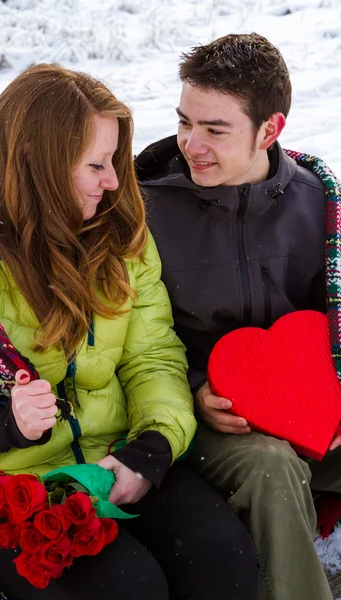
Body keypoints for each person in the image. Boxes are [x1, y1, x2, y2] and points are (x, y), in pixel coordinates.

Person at [0, 64, 258, 600]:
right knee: (127, 588)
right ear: (40, 167)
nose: (114, 180)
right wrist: (5, 429)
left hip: (114, 454)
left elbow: (152, 357)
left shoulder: (118, 239)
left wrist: (151, 447)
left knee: (222, 561)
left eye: (113, 161)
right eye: (96, 164)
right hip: (2, 483)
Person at [135, 33, 341, 600]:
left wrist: (332, 395)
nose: (189, 143)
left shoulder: (316, 203)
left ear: (270, 130)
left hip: (309, 405)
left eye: (214, 130)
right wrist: (197, 389)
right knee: (272, 469)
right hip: (206, 422)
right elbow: (131, 338)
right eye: (184, 122)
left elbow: (334, 315)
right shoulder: (145, 211)